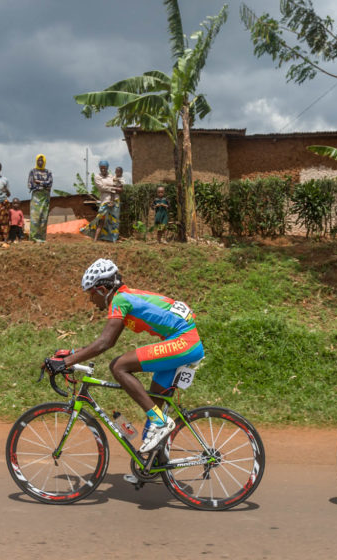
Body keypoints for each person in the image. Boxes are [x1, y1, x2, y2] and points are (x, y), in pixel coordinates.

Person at [46, 259, 205, 454]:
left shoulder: (120, 300)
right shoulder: (125, 297)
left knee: (118, 366)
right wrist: (72, 354)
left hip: (184, 341)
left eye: (91, 294)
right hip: (182, 340)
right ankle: (151, 463)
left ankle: (161, 423)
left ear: (103, 290)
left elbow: (105, 343)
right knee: (153, 402)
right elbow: (106, 341)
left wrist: (65, 363)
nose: (91, 300)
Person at [80, 159, 122, 243]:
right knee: (100, 218)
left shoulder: (111, 176)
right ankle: (94, 238)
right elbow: (101, 188)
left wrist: (116, 189)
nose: (103, 169)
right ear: (99, 168)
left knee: (114, 220)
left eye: (104, 168)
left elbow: (119, 186)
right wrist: (113, 189)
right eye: (101, 168)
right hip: (105, 200)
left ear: (107, 168)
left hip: (114, 200)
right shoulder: (97, 177)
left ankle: (112, 239)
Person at [27, 154, 53, 243]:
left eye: (42, 160)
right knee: (35, 218)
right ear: (36, 161)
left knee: (44, 217)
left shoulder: (48, 172)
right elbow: (30, 185)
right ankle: (33, 238)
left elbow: (50, 184)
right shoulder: (32, 171)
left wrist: (38, 182)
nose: (40, 162)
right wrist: (44, 184)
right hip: (36, 197)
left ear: (44, 161)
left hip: (45, 197)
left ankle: (42, 239)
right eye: (39, 160)